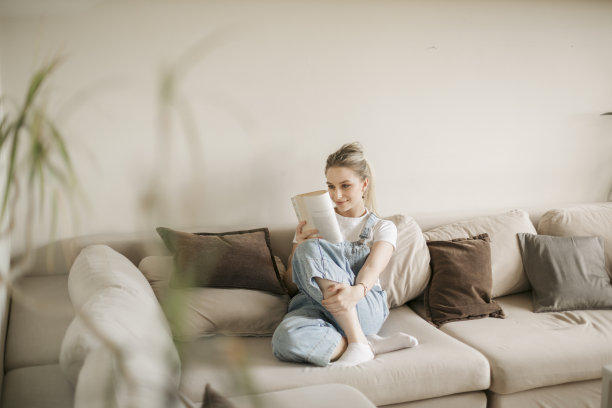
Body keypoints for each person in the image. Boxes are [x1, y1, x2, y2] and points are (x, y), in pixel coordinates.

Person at [272, 142, 418, 367]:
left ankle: (358, 340)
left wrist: (355, 293)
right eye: (330, 186)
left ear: (364, 184)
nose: (336, 195)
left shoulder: (383, 227)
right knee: (284, 340)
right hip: (314, 306)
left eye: (345, 185)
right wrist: (298, 249)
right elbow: (291, 286)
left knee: (310, 249)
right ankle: (362, 342)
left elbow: (372, 269)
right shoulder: (309, 224)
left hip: (361, 303)